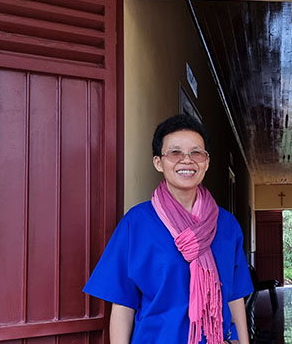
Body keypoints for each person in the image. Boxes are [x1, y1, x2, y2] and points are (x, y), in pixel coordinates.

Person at [84, 114, 253, 344]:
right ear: (158, 162)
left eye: (196, 152)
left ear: (206, 162)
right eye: (175, 153)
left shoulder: (226, 225)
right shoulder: (137, 223)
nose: (187, 160)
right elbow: (123, 306)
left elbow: (235, 298)